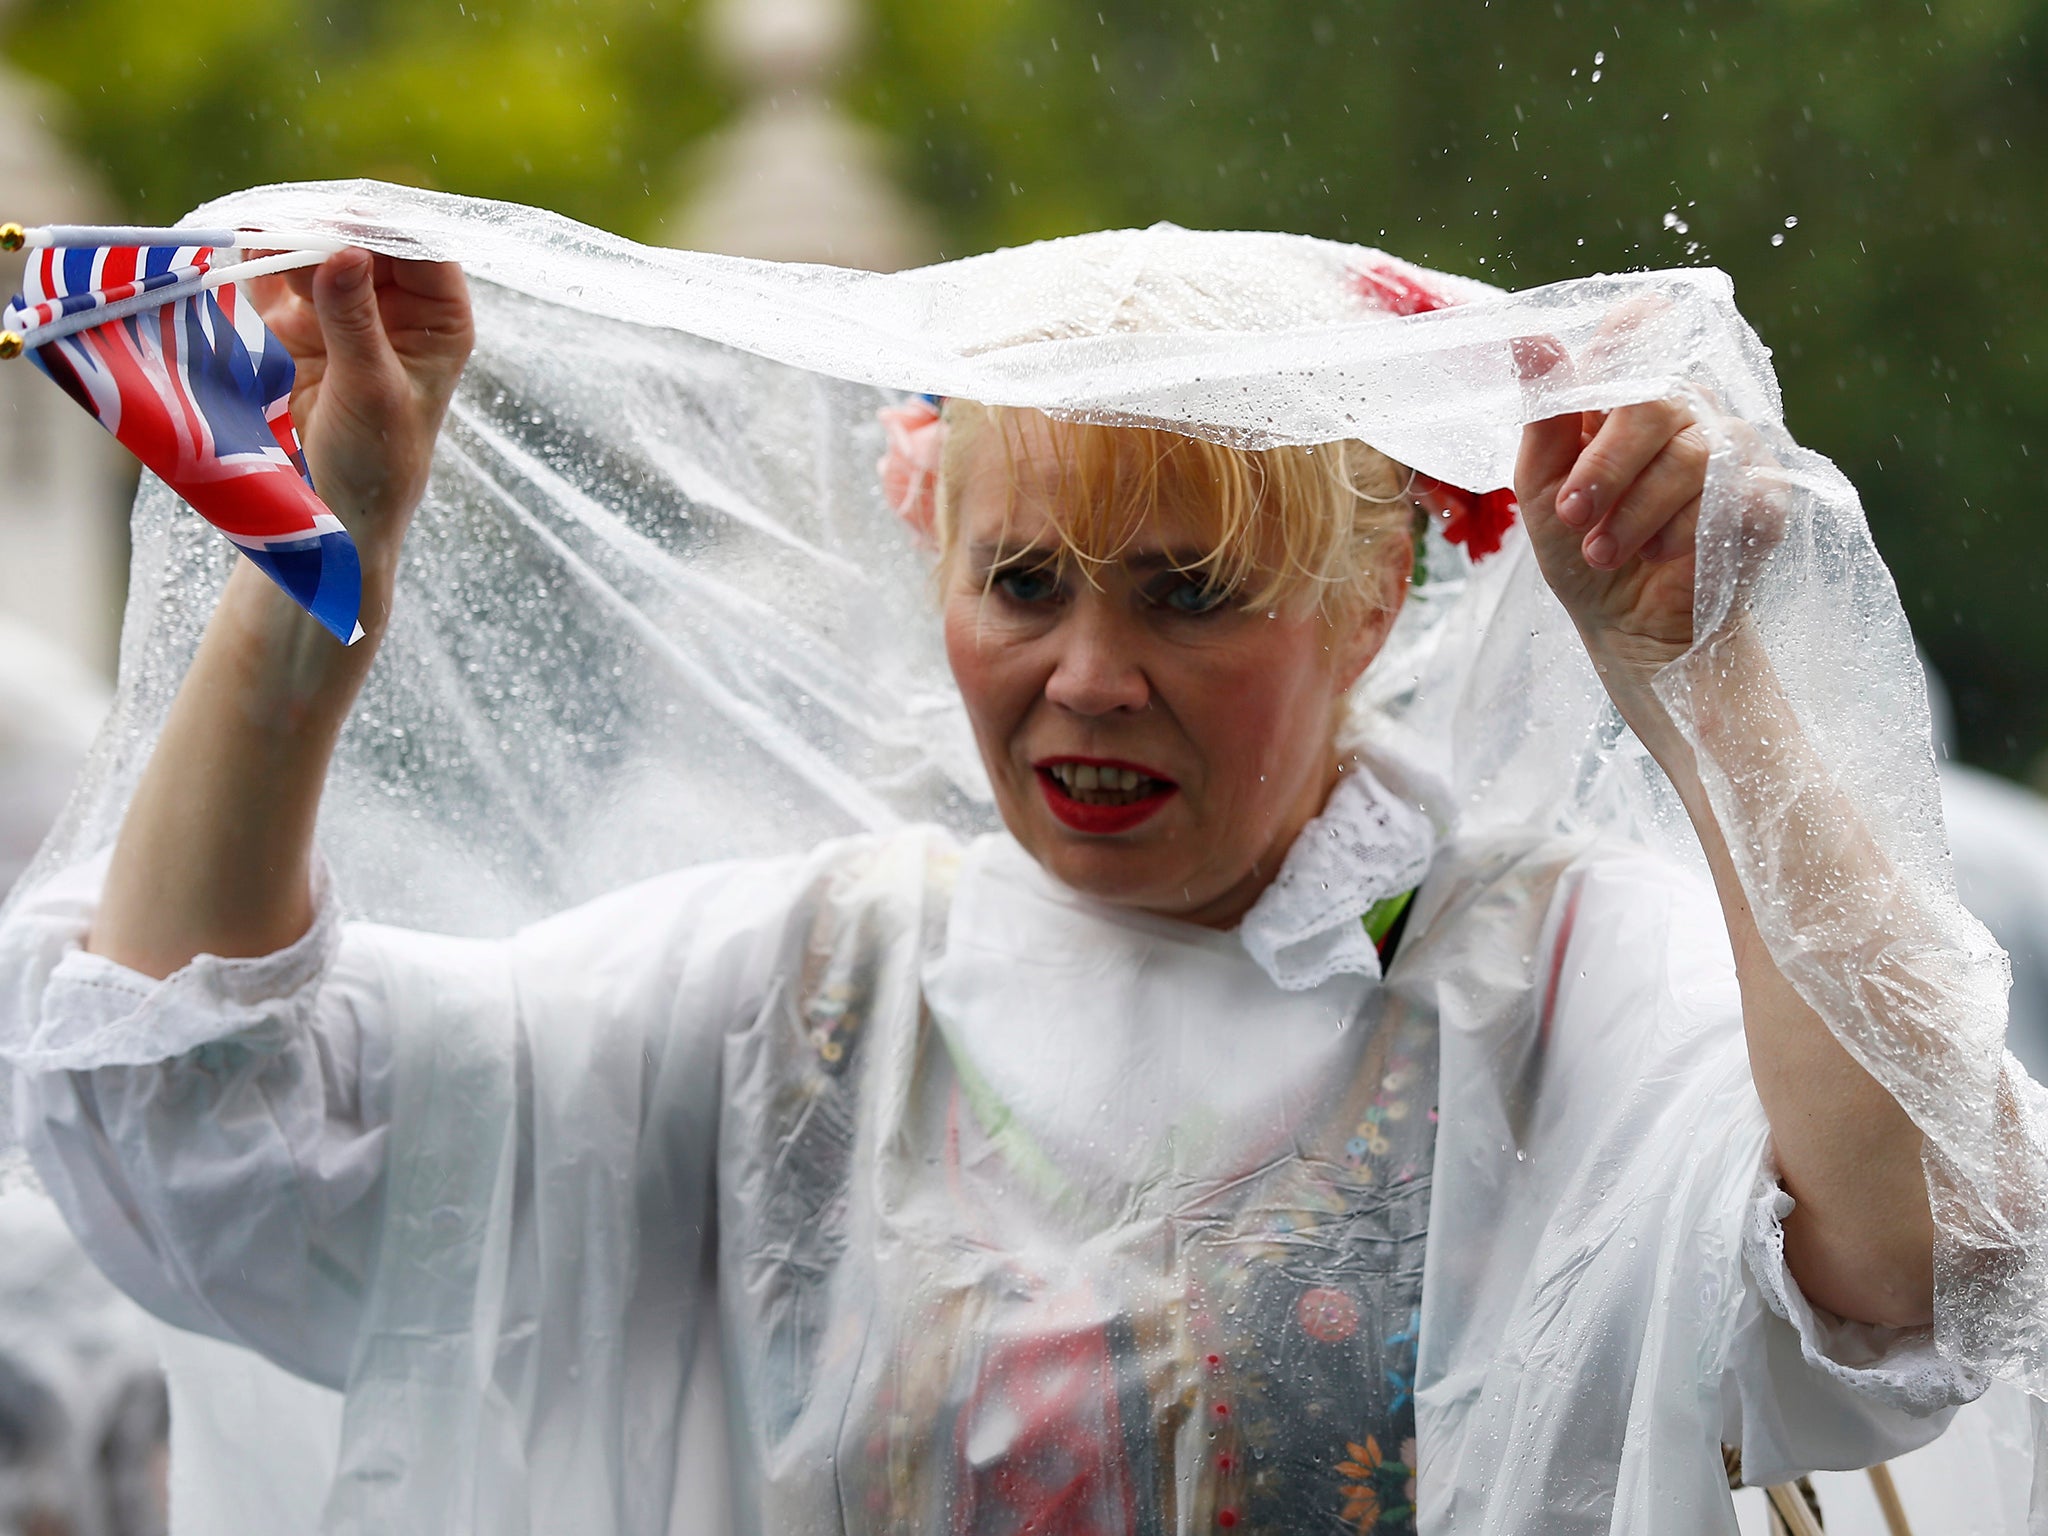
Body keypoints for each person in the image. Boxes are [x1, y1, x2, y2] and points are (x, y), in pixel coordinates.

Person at [0, 203, 2036, 1534]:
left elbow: (1915, 1265)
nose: (1087, 673)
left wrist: (1714, 706)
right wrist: (316, 554)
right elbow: (202, 1121)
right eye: (1025, 581)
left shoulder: (1549, 988)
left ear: (1371, 594)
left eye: (1188, 593)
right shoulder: (806, 993)